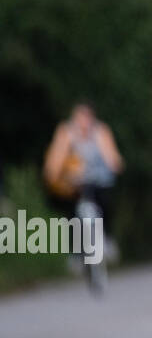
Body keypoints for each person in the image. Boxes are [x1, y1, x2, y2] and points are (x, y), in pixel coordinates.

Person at [44, 101, 123, 255]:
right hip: (75, 182)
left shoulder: (100, 131)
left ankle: (107, 237)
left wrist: (113, 164)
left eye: (86, 117)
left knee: (105, 202)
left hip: (99, 180)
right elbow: (55, 160)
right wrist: (53, 174)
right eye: (79, 117)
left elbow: (113, 158)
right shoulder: (66, 132)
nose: (83, 122)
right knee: (72, 210)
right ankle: (75, 250)